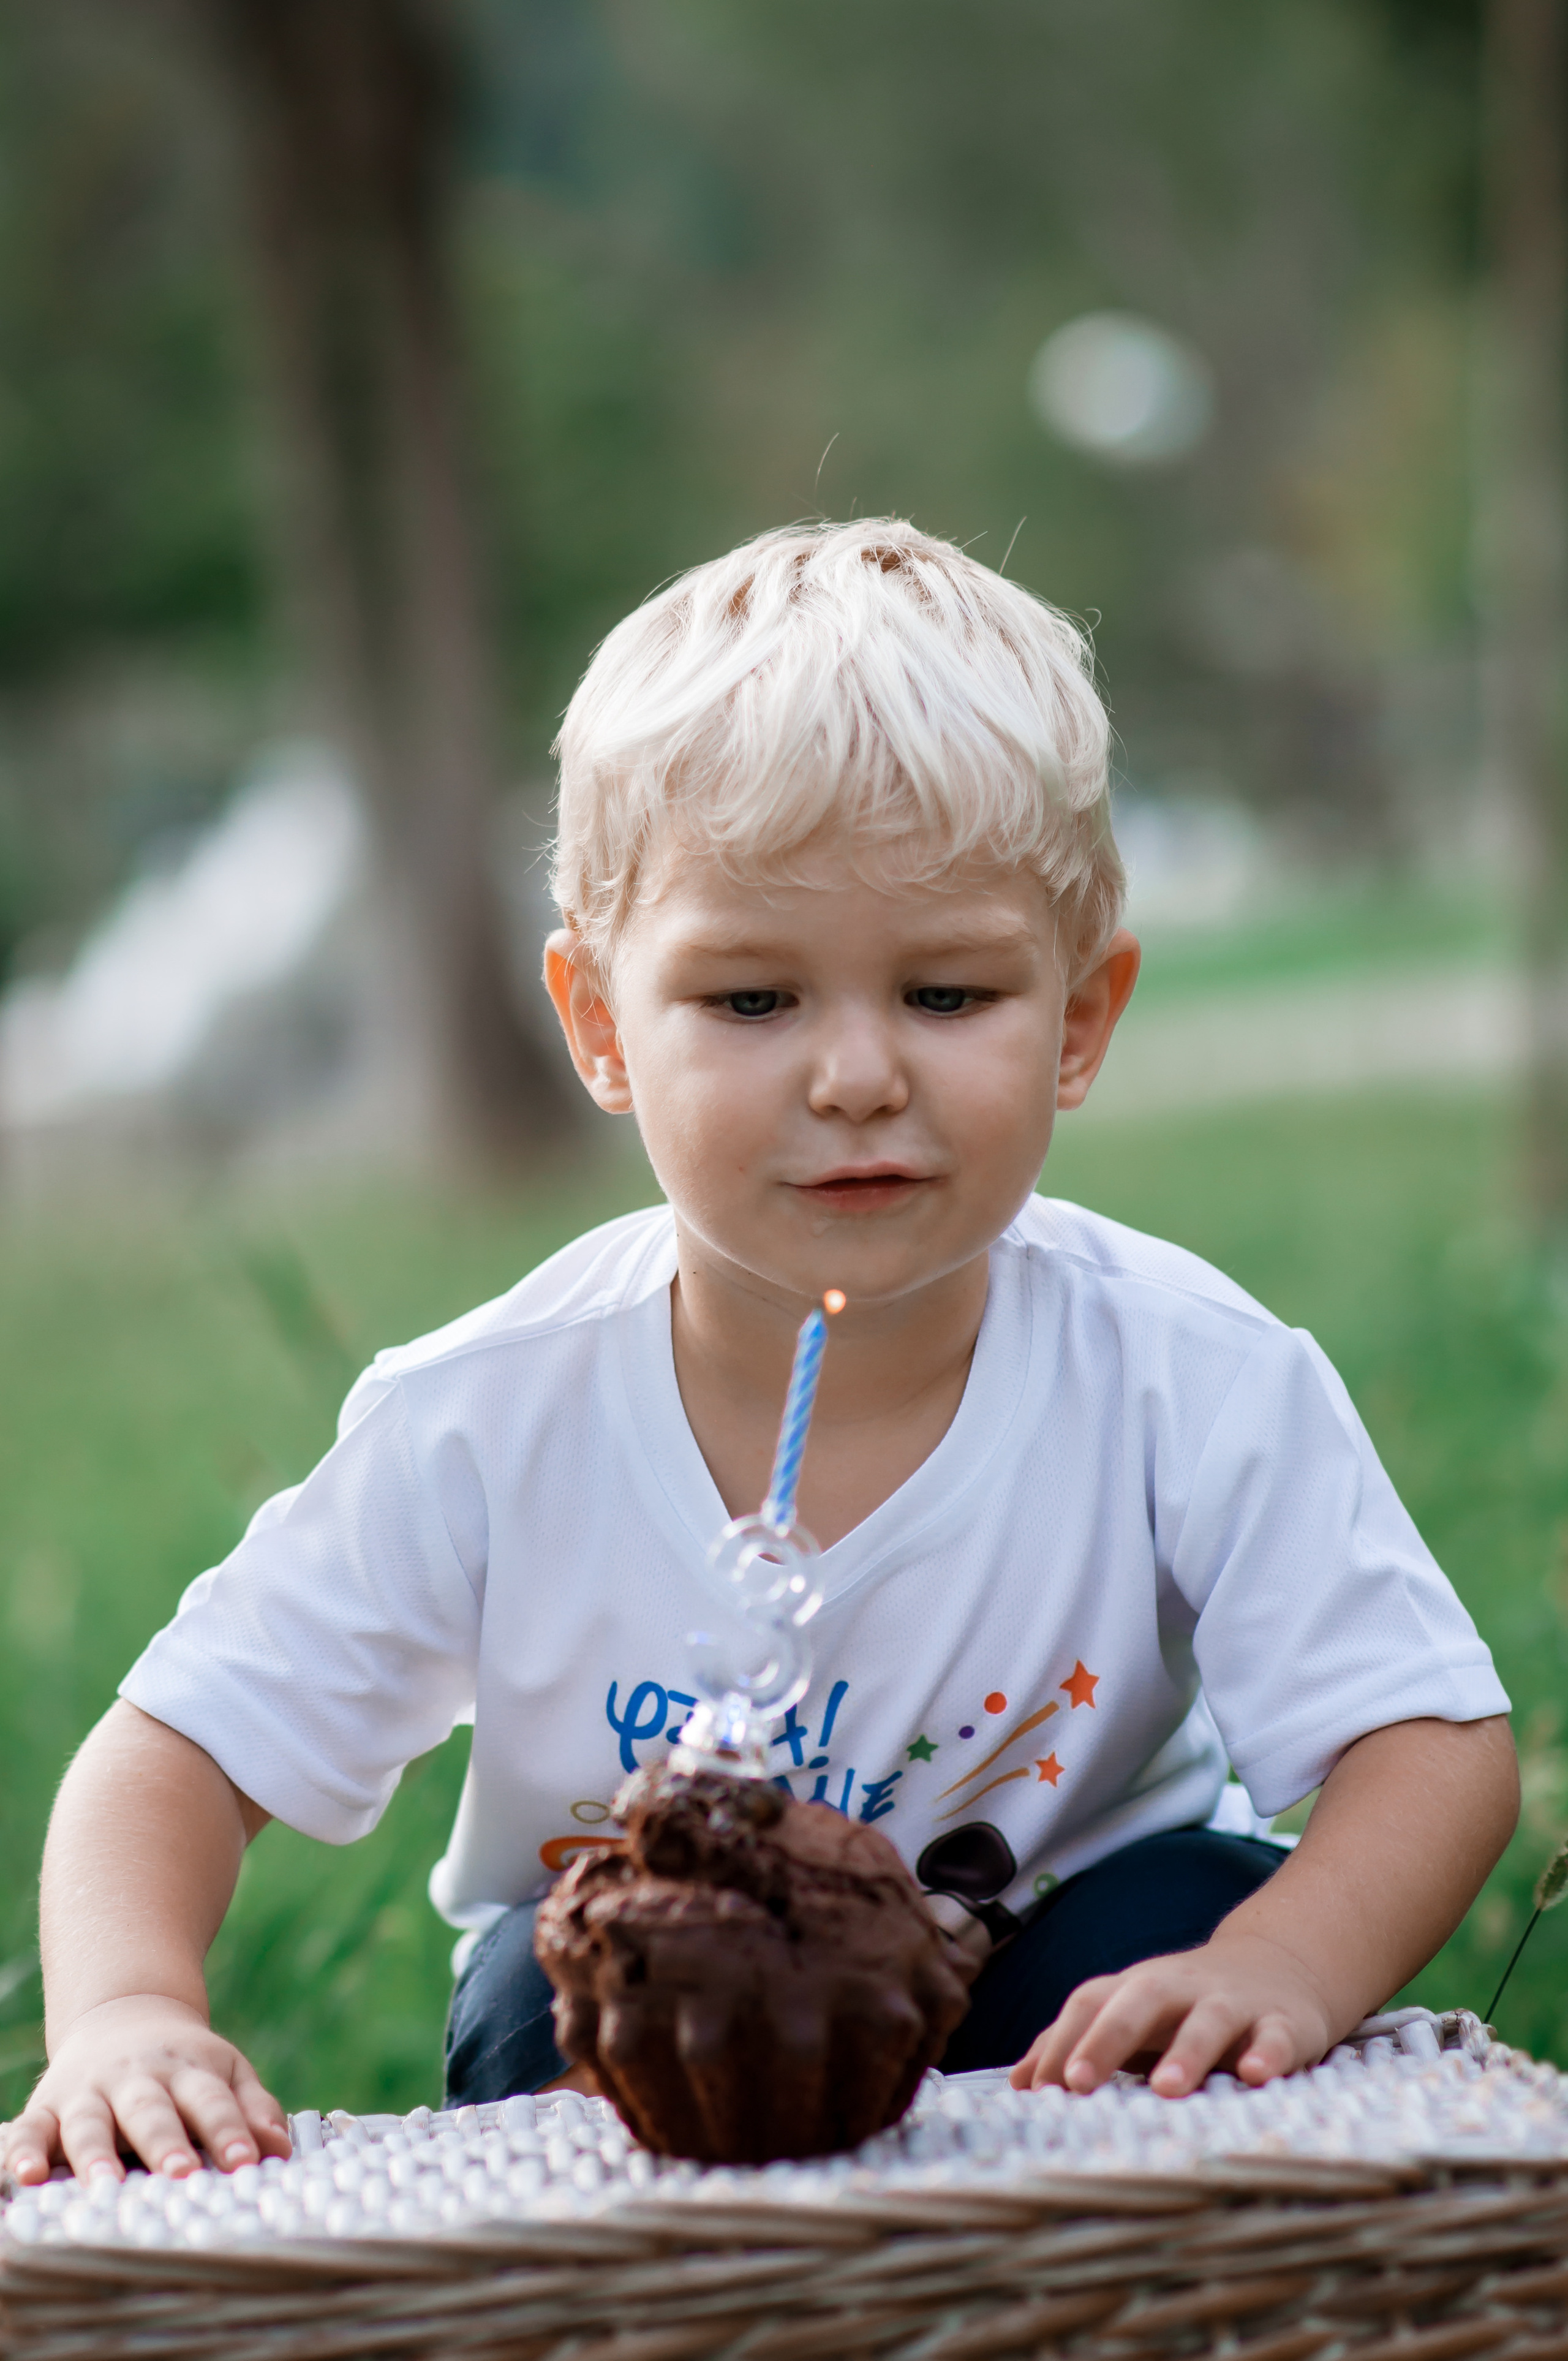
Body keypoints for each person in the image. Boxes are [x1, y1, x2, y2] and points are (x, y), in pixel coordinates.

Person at [2, 519, 1517, 2189]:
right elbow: (178, 1753)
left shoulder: (1188, 1376)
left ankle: (1094, 2287)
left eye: (947, 995)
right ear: (598, 1026)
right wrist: (128, 2012)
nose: (857, 1074)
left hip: (1060, 2002)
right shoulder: (491, 1418)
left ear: (1081, 1018)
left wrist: (1280, 1966)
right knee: (538, 1997)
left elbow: (1428, 1745)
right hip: (664, 2025)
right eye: (749, 1002)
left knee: (1192, 1906)